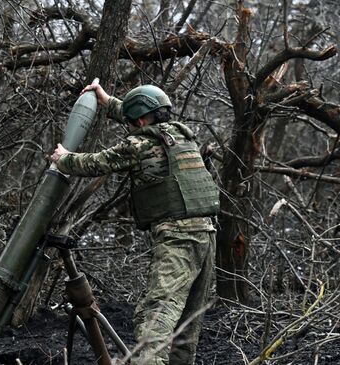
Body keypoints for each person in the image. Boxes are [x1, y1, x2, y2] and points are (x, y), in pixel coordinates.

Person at [50, 83, 219, 365]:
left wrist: (63, 159)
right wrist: (107, 101)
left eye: (132, 122)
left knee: (157, 316)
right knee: (187, 324)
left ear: (140, 121)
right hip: (206, 234)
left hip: (177, 241)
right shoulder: (181, 135)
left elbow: (96, 163)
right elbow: (141, 117)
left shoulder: (138, 145)